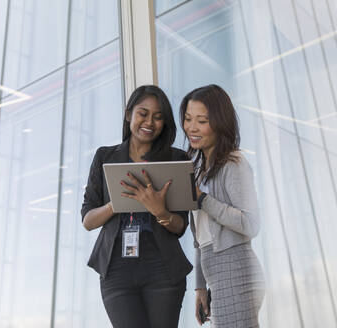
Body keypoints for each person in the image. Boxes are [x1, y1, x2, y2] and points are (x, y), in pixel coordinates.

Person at [81, 85, 192, 328]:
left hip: (161, 264)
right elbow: (88, 220)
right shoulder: (104, 157)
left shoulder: (177, 159)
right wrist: (115, 205)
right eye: (143, 113)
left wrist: (160, 211)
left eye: (158, 116)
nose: (149, 122)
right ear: (128, 113)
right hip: (116, 268)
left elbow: (180, 226)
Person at [180, 84, 265, 327]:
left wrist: (203, 200)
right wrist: (200, 287)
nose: (192, 128)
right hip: (215, 272)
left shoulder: (234, 164)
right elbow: (201, 241)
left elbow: (251, 224)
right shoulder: (198, 171)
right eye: (188, 119)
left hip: (236, 270)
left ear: (219, 122)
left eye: (202, 121)